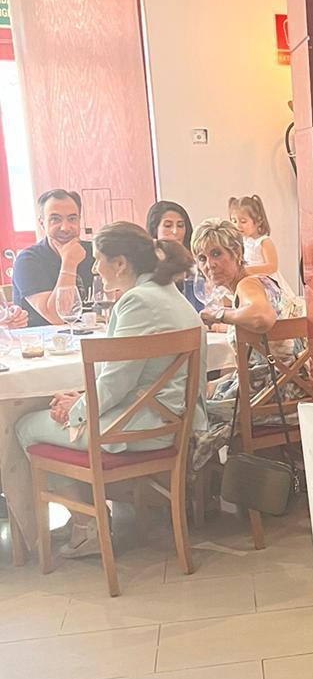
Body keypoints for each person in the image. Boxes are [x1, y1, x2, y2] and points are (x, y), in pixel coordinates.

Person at [15, 222, 204, 558]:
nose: (93, 267)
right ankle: (95, 517)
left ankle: (86, 526)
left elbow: (116, 383)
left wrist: (75, 410)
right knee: (71, 406)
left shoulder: (136, 302)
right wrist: (83, 400)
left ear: (121, 263)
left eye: (99, 259)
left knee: (25, 425)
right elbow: (125, 380)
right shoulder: (169, 293)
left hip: (138, 428)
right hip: (172, 421)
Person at [191, 218, 302, 419]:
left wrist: (218, 315)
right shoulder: (260, 282)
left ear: (238, 254)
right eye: (202, 258)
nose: (210, 265)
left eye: (216, 253)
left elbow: (261, 317)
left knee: (189, 411)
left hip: (274, 395)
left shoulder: (248, 285)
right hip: (287, 384)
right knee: (199, 390)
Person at [12, 189, 95, 327]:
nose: (65, 227)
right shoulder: (27, 260)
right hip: (42, 345)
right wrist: (69, 262)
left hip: (93, 339)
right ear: (42, 223)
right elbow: (58, 317)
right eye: (55, 219)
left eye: (72, 219)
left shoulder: (95, 252)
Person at [146, 200, 202, 311]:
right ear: (155, 229)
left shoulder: (196, 262)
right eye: (168, 225)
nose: (175, 231)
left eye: (180, 226)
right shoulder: (145, 263)